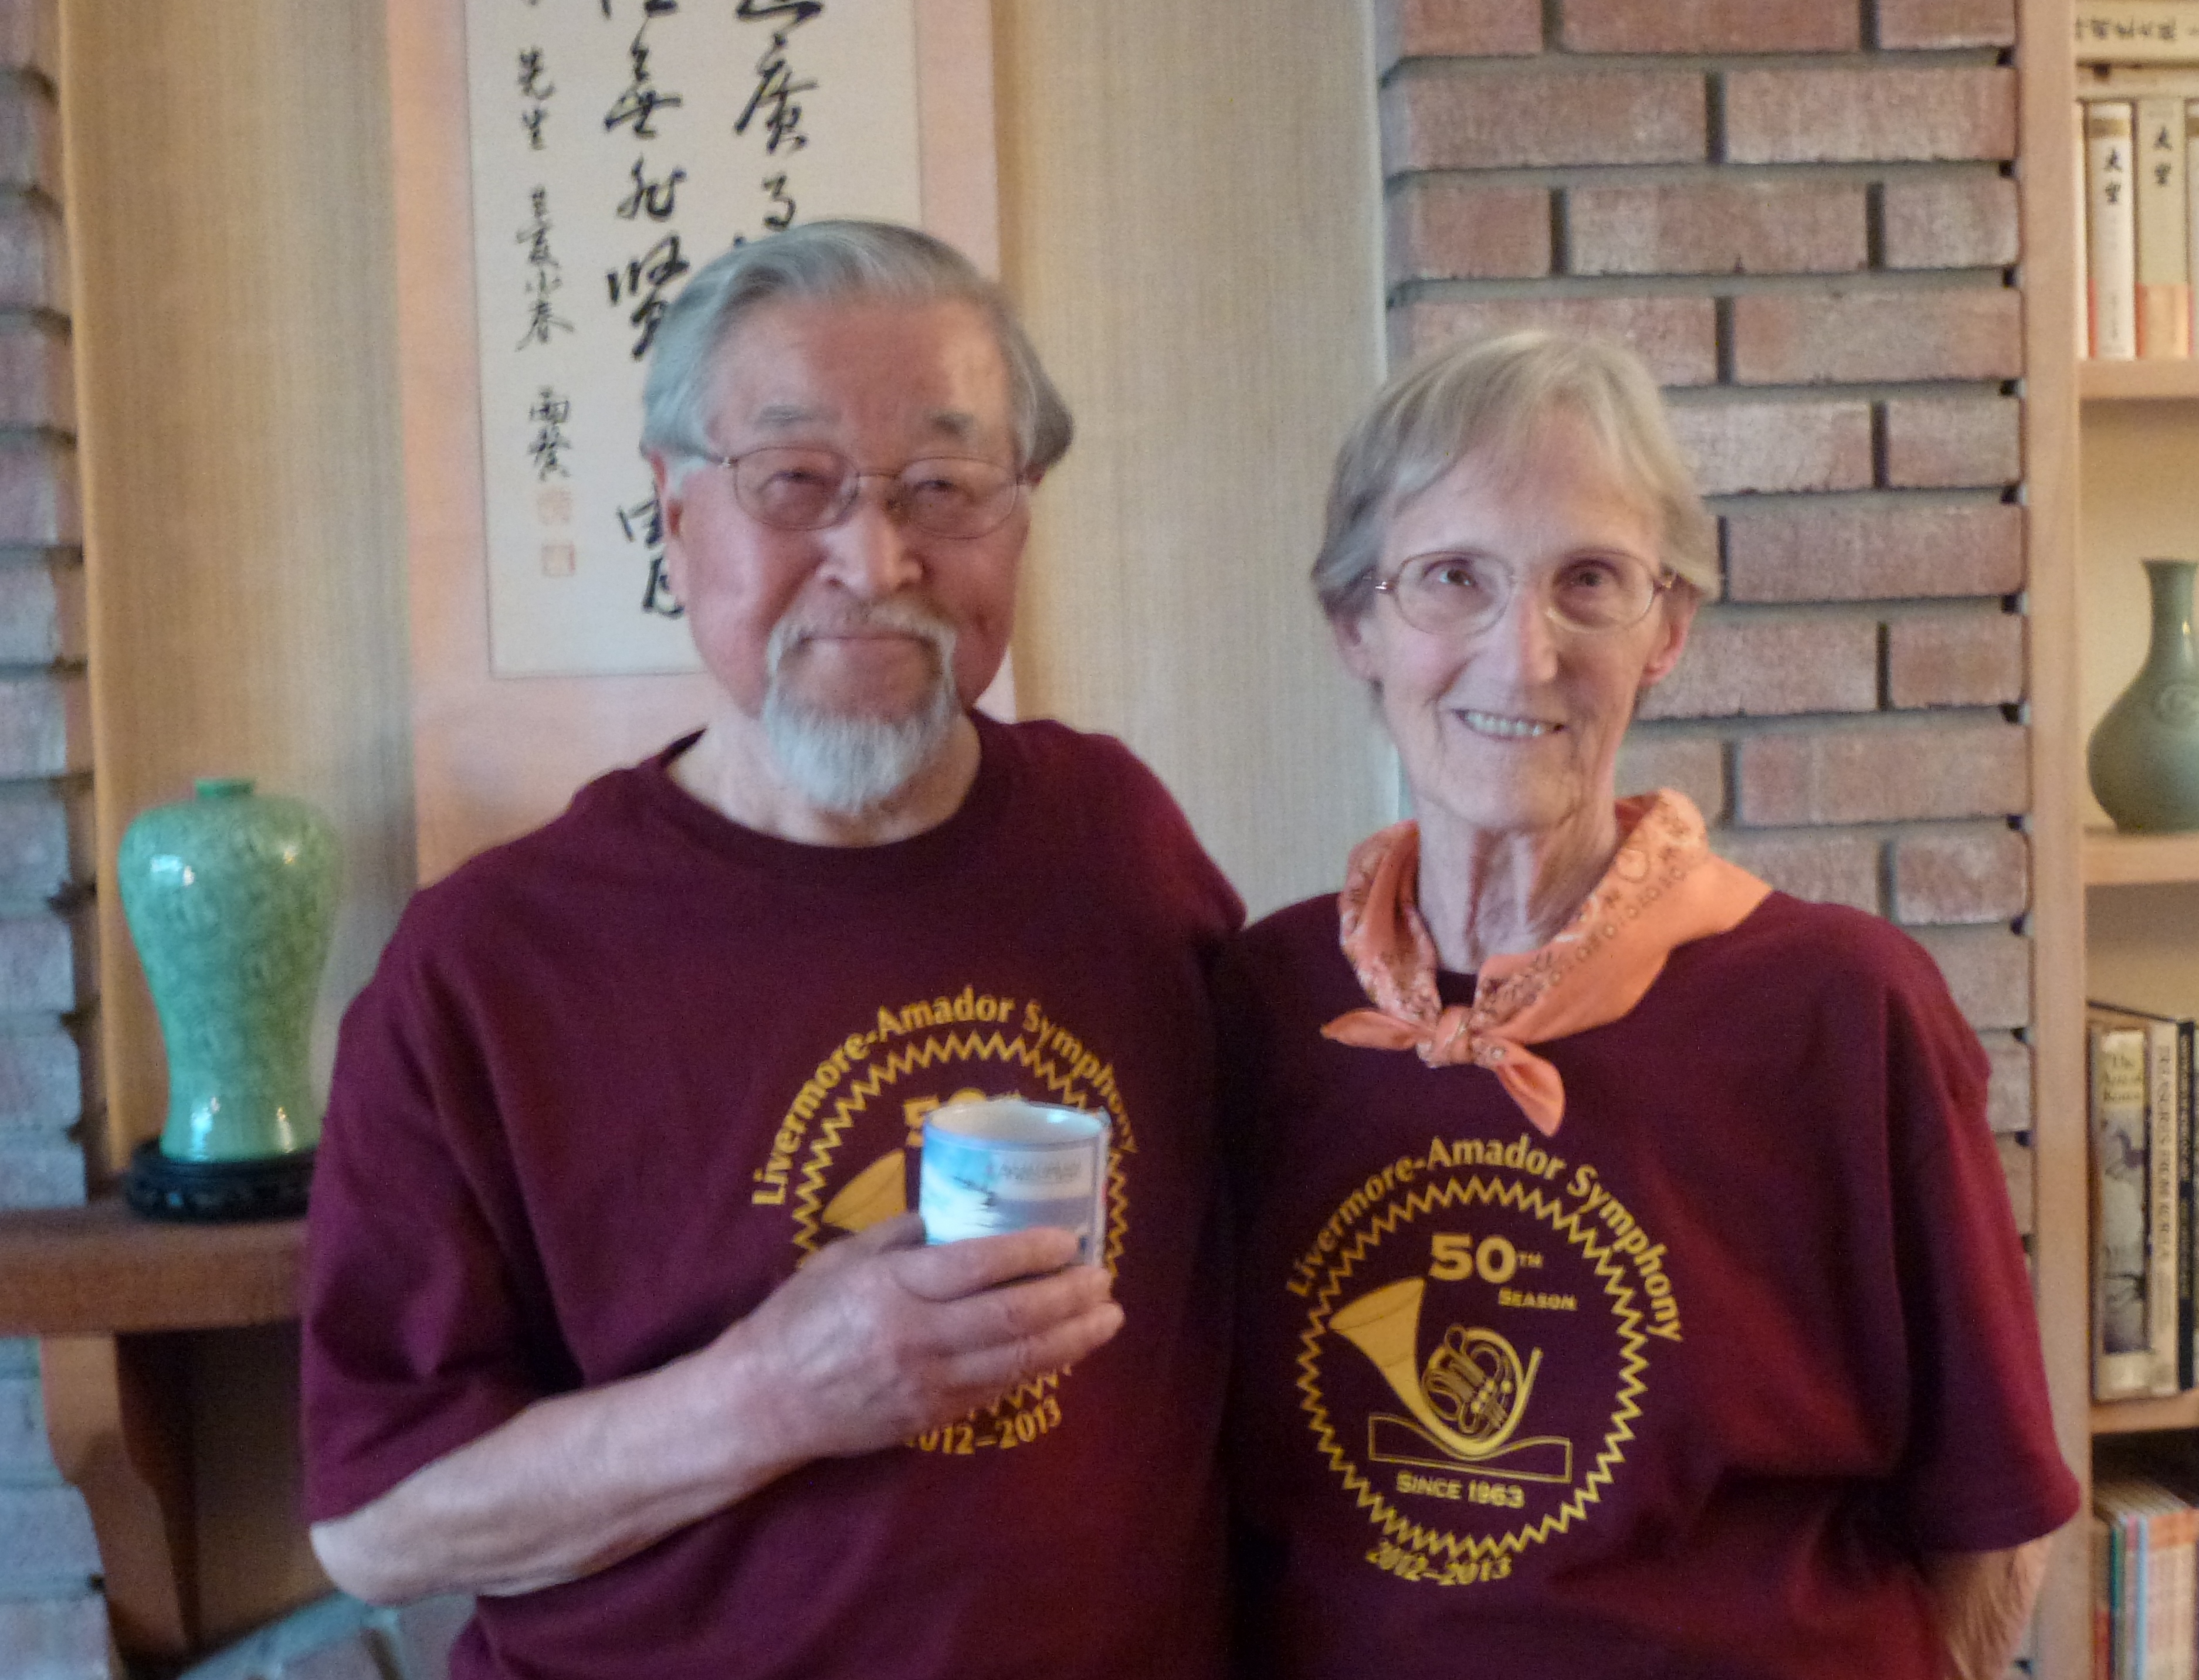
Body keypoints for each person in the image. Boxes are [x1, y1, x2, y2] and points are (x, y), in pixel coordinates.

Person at [300, 220, 1243, 1680]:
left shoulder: (1116, 841)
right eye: (795, 484)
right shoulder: (488, 965)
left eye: (945, 483)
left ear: (1022, 518)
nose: (876, 558)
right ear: (676, 517)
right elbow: (378, 1527)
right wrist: (773, 1391)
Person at [1218, 329, 2078, 1679]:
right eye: (1453, 578)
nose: (1524, 651)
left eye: (1590, 581)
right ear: (1356, 626)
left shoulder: (1843, 1008)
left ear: (1666, 631)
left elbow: (1992, 1526)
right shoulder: (1260, 1007)